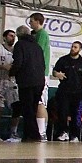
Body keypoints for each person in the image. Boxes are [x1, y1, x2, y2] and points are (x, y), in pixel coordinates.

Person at [51, 41, 82, 142]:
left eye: (75, 47)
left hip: (77, 93)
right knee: (62, 113)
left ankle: (75, 135)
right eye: (72, 46)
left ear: (79, 49)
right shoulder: (63, 60)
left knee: (76, 115)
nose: (73, 48)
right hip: (64, 91)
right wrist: (57, 74)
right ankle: (63, 133)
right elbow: (54, 71)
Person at [9, 25, 45, 142]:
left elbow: (18, 62)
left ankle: (35, 135)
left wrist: (11, 72)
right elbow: (43, 65)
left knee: (27, 109)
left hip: (26, 81)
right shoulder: (37, 46)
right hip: (39, 81)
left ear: (18, 35)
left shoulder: (20, 45)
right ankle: (27, 135)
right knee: (33, 108)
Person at [0, 29, 20, 141]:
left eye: (14, 36)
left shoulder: (17, 51)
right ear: (4, 37)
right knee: (0, 107)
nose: (13, 38)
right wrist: (3, 67)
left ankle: (13, 132)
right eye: (10, 36)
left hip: (11, 82)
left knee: (16, 107)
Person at [29, 12, 51, 140]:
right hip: (39, 73)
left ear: (38, 21)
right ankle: (42, 131)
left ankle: (42, 133)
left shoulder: (42, 34)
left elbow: (37, 52)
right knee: (39, 103)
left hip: (41, 73)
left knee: (40, 102)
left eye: (31, 21)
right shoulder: (37, 34)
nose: (30, 23)